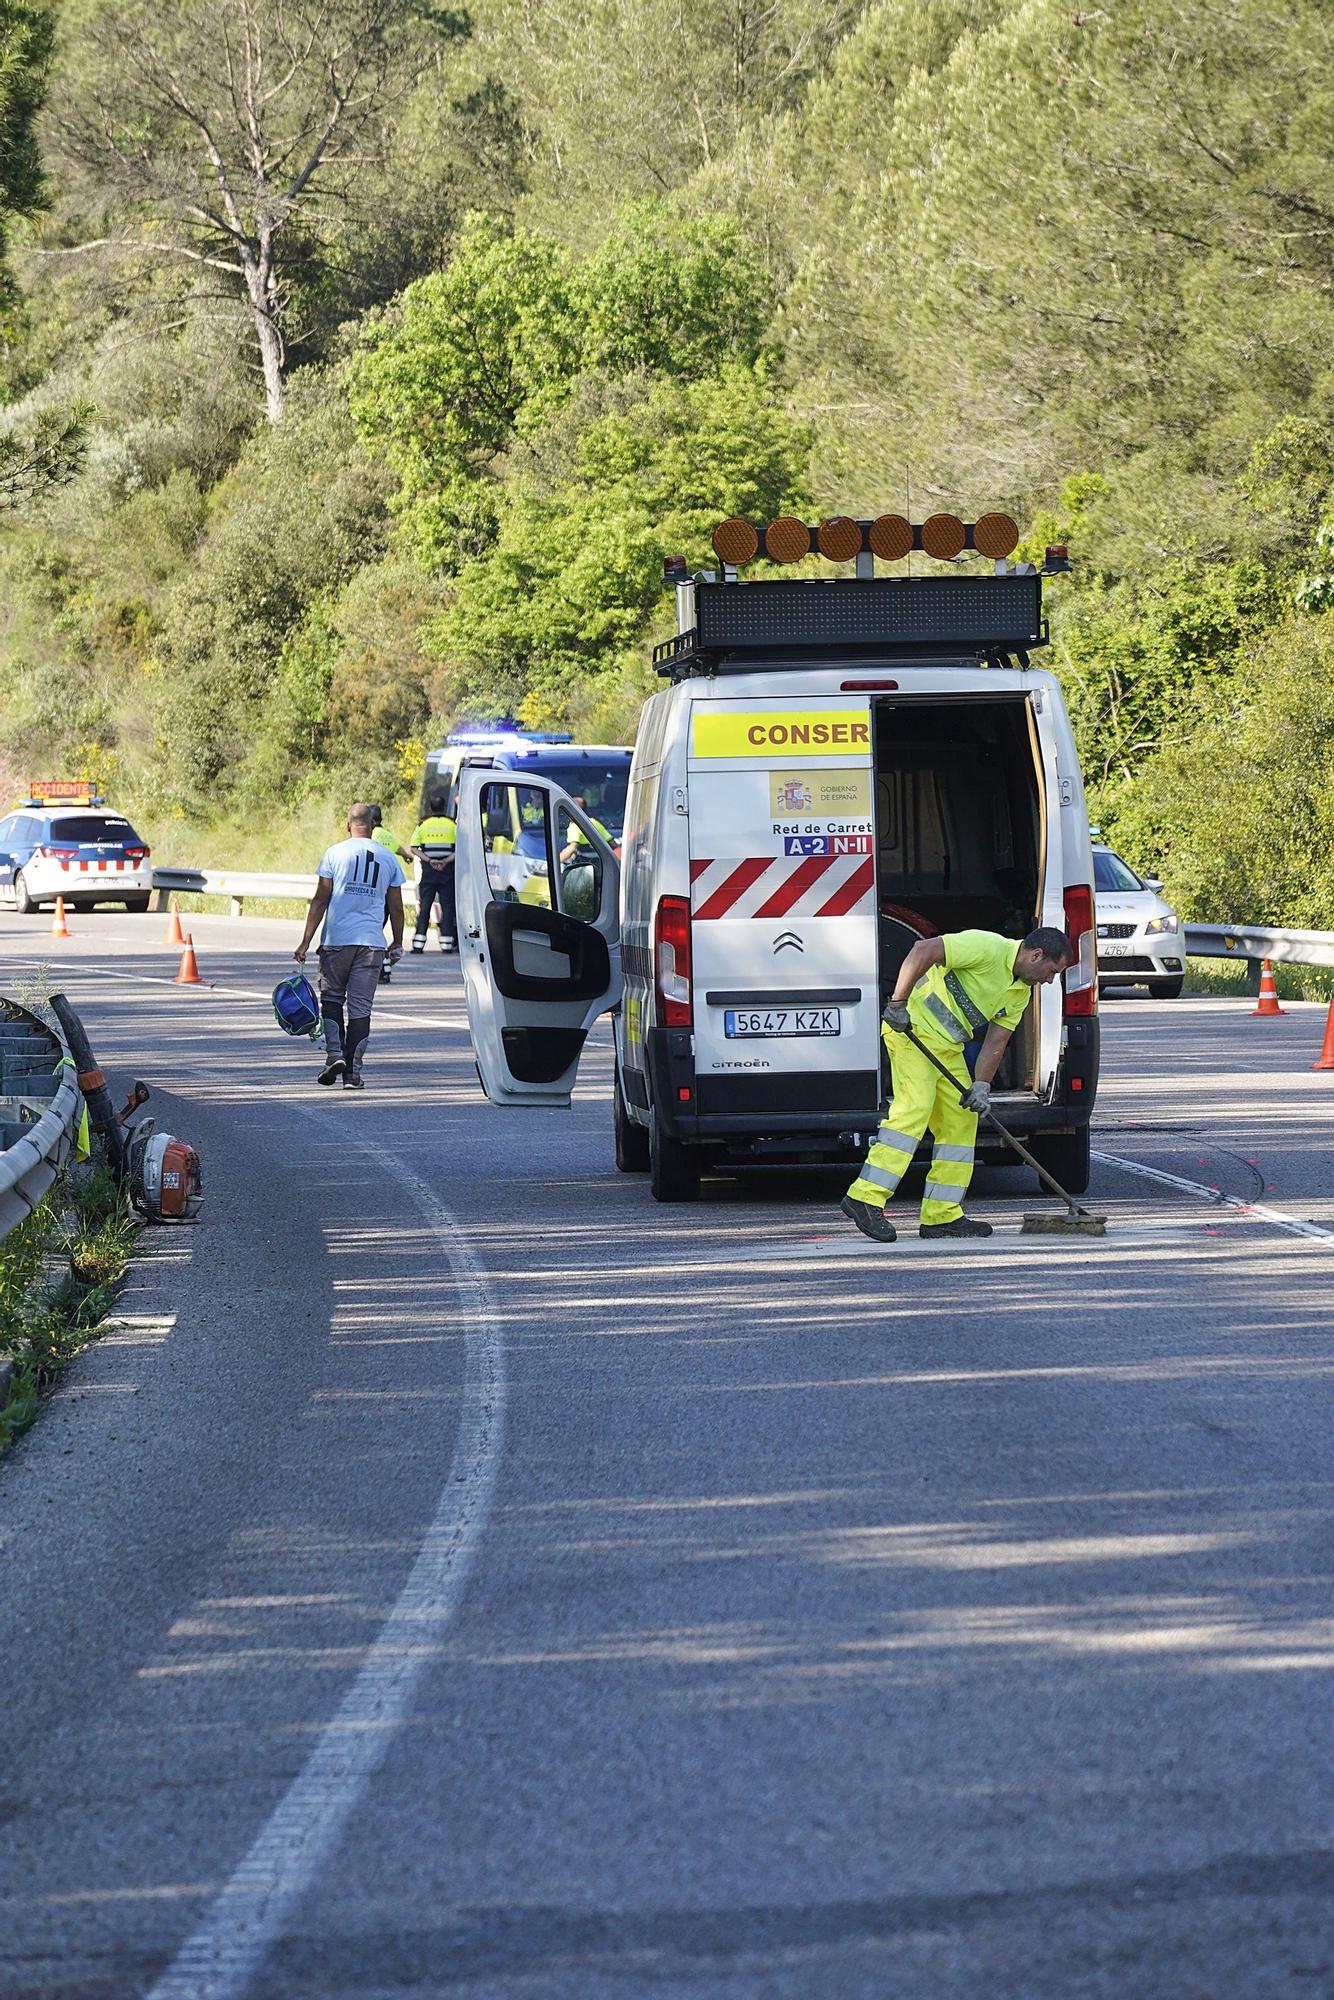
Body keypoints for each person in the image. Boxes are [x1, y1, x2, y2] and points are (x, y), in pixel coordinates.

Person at [842, 926, 1074, 1242]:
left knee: (961, 1120)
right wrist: (898, 1002)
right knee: (914, 1110)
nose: (1049, 980)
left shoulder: (1020, 991)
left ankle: (942, 1216)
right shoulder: (986, 946)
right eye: (1051, 971)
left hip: (949, 1047)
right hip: (912, 1032)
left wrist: (981, 1085)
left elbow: (997, 1040)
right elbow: (923, 950)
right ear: (1036, 955)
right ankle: (865, 1198)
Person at [294, 803, 405, 1089]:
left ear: (348, 825)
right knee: (360, 1008)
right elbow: (396, 907)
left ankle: (334, 1055)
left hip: (337, 941)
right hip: (371, 944)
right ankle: (353, 1073)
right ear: (373, 826)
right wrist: (398, 941)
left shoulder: (335, 853)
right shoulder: (388, 858)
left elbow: (320, 899)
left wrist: (306, 940)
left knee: (332, 999)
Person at [410, 787, 458, 953]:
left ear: (431, 807)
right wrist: (445, 861)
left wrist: (429, 860)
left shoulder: (423, 825)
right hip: (447, 873)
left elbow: (414, 848)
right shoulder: (452, 825)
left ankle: (418, 945)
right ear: (444, 807)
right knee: (447, 907)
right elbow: (459, 849)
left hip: (429, 873)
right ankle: (446, 945)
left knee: (425, 907)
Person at [369, 804, 413, 984]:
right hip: (391, 888)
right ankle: (385, 967)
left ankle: (381, 969)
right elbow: (398, 848)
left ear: (370, 821)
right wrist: (406, 856)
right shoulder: (387, 834)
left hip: (376, 888)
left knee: (374, 929)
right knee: (379, 928)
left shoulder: (370, 836)